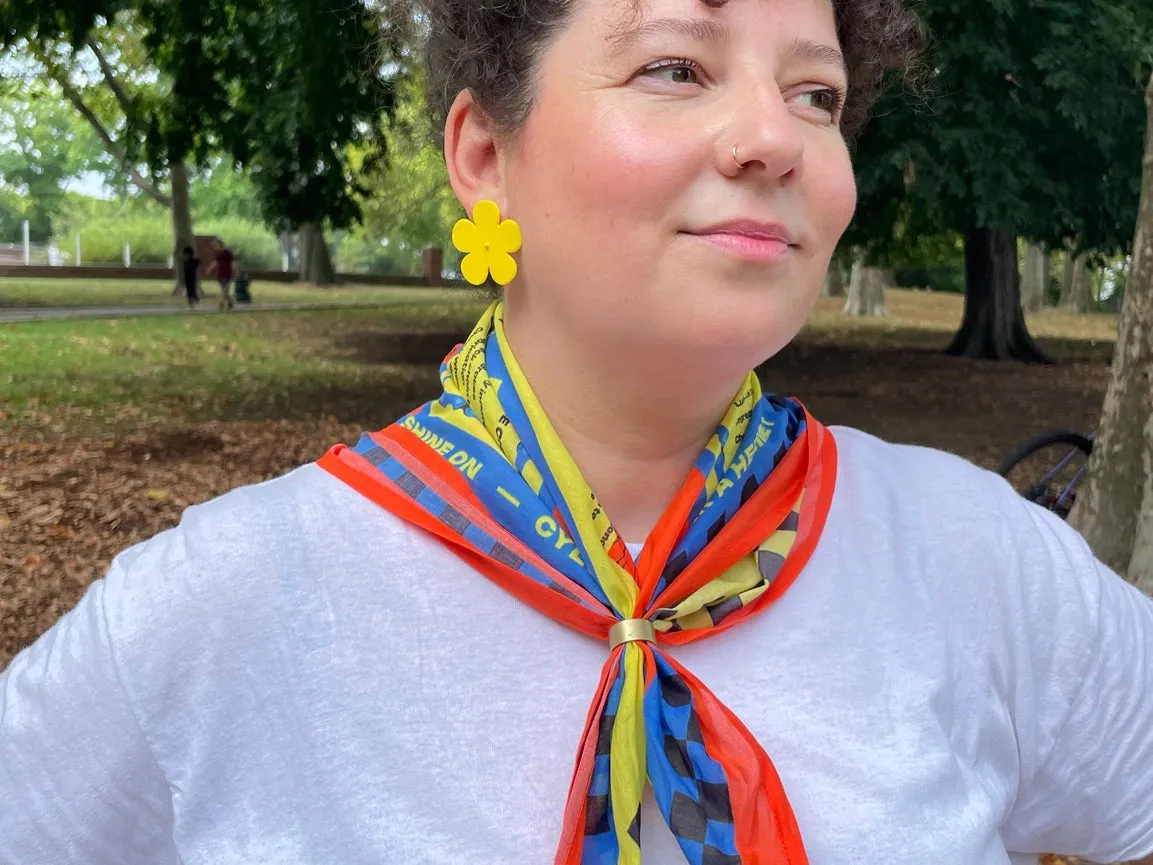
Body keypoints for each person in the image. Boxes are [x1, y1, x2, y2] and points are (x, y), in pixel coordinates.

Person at [2, 0, 1152, 862]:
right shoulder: (225, 604)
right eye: (674, 66)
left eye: (818, 95)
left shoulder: (970, 555)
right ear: (484, 158)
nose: (776, 137)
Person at [206, 237, 236, 310]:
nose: (214, 247)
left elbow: (232, 263)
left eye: (215, 245)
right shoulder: (218, 254)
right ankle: (231, 302)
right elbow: (216, 262)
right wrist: (209, 268)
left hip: (228, 274)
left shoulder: (228, 253)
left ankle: (221, 304)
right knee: (224, 291)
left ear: (220, 245)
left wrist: (235, 271)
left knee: (224, 290)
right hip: (220, 275)